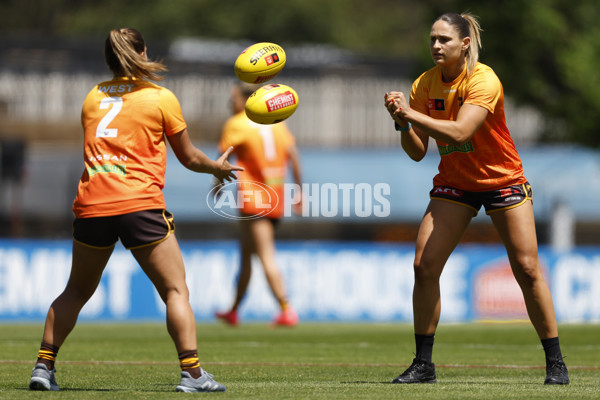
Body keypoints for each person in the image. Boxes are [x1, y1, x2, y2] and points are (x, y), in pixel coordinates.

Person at [28, 28, 242, 393]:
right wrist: (217, 169)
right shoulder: (160, 98)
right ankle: (192, 374)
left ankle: (43, 367)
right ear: (142, 53)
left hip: (93, 203)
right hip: (139, 204)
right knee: (175, 290)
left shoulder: (93, 97)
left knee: (76, 291)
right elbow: (189, 157)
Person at [384, 12, 569, 385]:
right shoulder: (424, 83)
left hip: (502, 180)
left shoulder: (483, 79)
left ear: (464, 44)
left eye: (444, 40)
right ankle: (424, 365)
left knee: (528, 269)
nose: (436, 45)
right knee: (424, 265)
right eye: (433, 39)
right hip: (455, 182)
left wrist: (410, 112)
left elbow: (459, 132)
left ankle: (556, 363)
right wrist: (403, 122)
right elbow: (418, 151)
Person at [215, 83, 303, 327]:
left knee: (265, 255)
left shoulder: (237, 123)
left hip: (255, 199)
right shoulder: (275, 122)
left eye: (233, 98)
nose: (230, 103)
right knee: (246, 254)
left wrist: (217, 185)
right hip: (276, 196)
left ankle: (286, 308)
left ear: (246, 100)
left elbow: (222, 160)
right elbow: (293, 155)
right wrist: (299, 191)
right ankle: (233, 310)